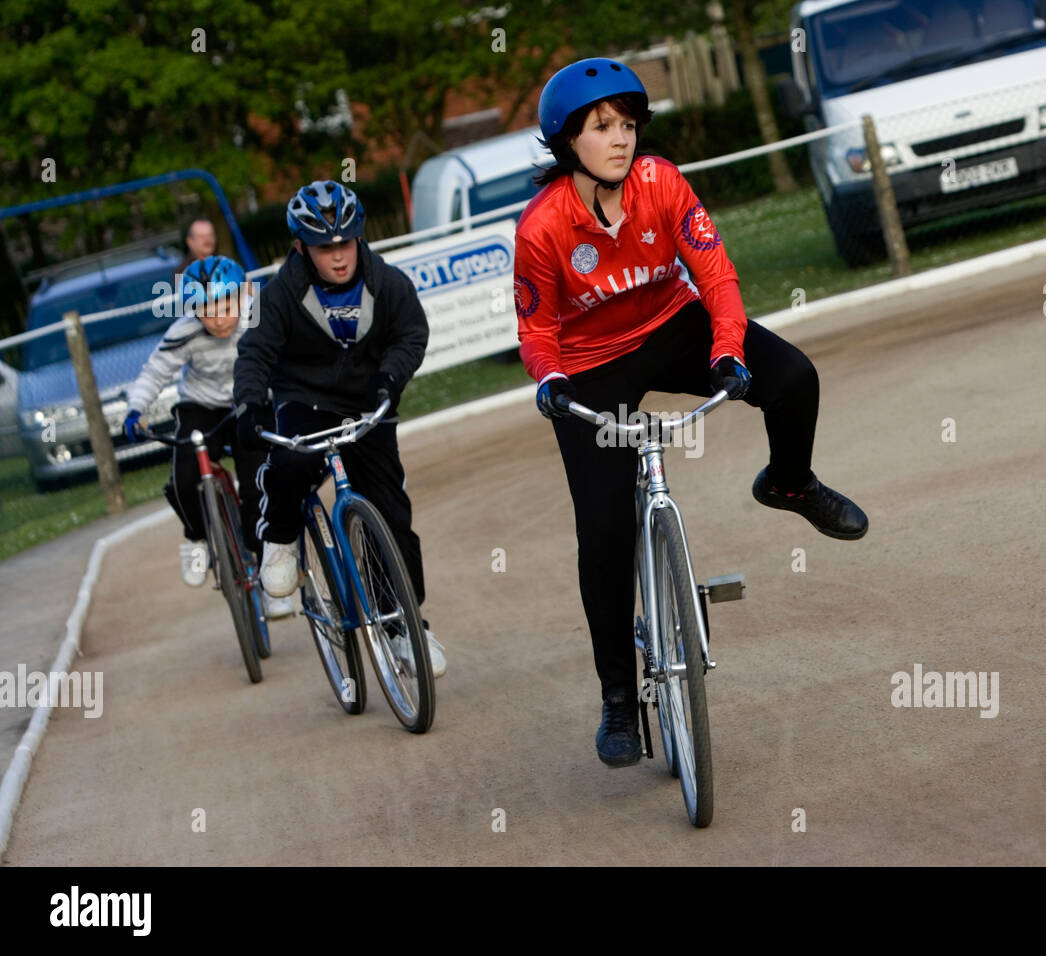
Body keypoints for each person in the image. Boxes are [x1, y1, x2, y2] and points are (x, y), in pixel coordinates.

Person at [515, 57, 868, 768]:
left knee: (793, 376)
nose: (621, 138)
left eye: (626, 124)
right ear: (566, 143)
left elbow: (715, 274)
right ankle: (618, 697)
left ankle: (790, 482)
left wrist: (729, 349)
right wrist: (550, 379)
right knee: (606, 530)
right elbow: (538, 328)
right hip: (589, 364)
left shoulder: (661, 182)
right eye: (601, 127)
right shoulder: (542, 228)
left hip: (672, 325)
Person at [232, 180, 446, 678]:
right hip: (305, 401)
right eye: (325, 248)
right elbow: (255, 352)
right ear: (300, 247)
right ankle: (281, 539)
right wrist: (249, 404)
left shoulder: (388, 283)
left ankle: (404, 627)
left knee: (392, 518)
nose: (338, 256)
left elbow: (412, 333)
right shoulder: (278, 293)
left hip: (369, 402)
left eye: (345, 243)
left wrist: (391, 378)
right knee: (289, 461)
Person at [123, 255, 295, 620]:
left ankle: (268, 582)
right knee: (184, 478)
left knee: (256, 490)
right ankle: (195, 538)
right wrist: (135, 410)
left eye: (225, 305)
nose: (217, 317)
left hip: (250, 402)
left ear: (242, 295)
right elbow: (154, 372)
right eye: (205, 309)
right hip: (201, 405)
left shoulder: (258, 313)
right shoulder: (184, 331)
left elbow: (294, 345)